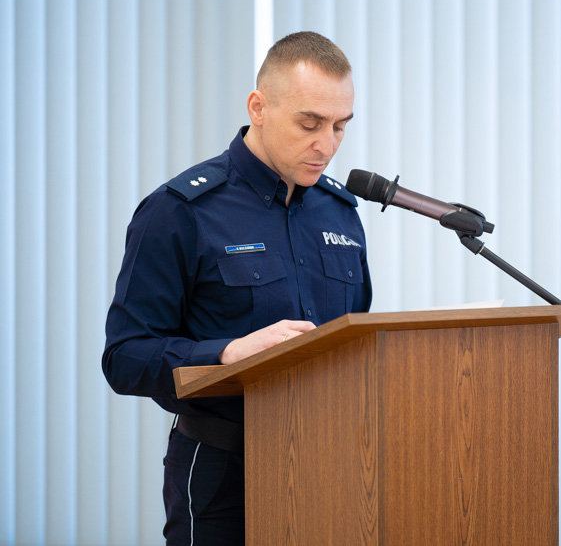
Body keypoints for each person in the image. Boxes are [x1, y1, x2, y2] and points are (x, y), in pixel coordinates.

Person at [102, 31, 372, 545]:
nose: (327, 145)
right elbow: (125, 357)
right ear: (259, 106)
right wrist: (227, 353)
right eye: (309, 123)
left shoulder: (341, 213)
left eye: (340, 126)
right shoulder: (180, 211)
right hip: (221, 471)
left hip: (332, 467)